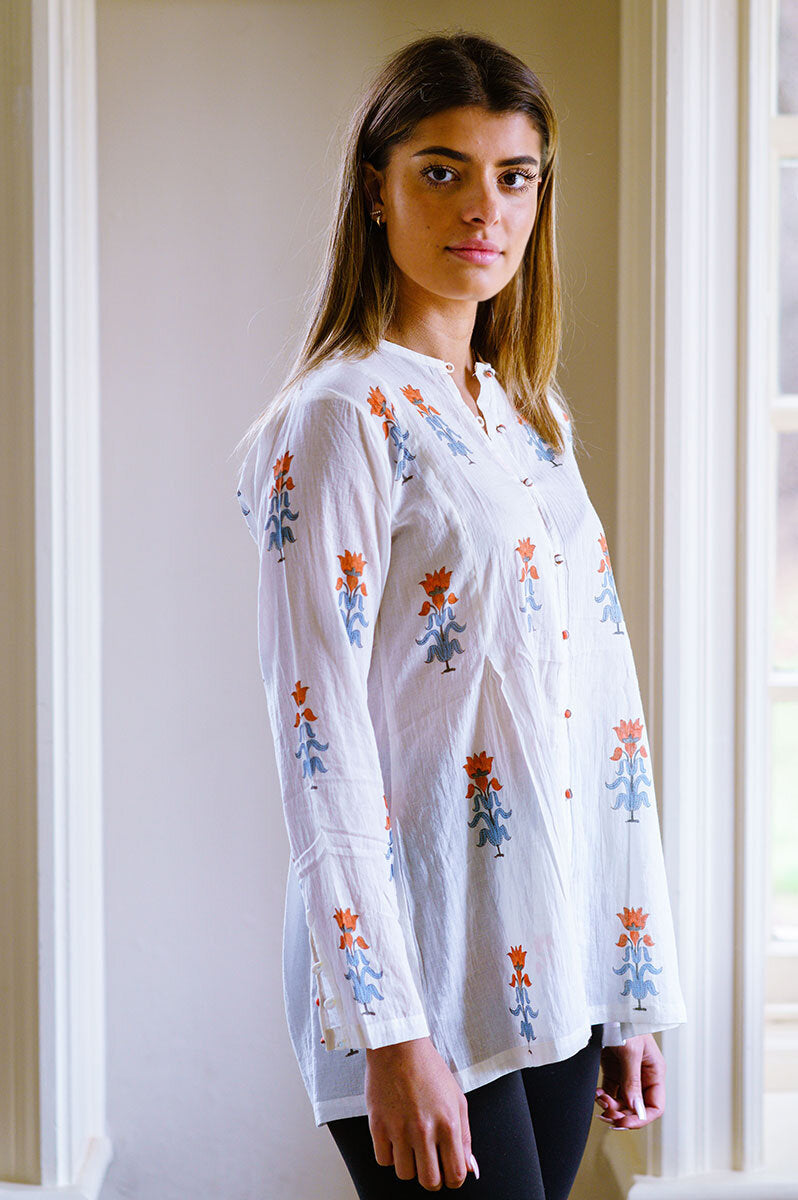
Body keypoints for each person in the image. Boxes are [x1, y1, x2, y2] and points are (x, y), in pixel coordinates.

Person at [234, 30, 687, 1198]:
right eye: (442, 170)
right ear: (375, 190)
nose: (484, 207)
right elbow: (318, 735)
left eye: (514, 175)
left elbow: (602, 709)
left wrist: (627, 983)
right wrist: (390, 1032)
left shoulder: (530, 419)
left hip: (552, 968)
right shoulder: (339, 418)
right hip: (419, 981)